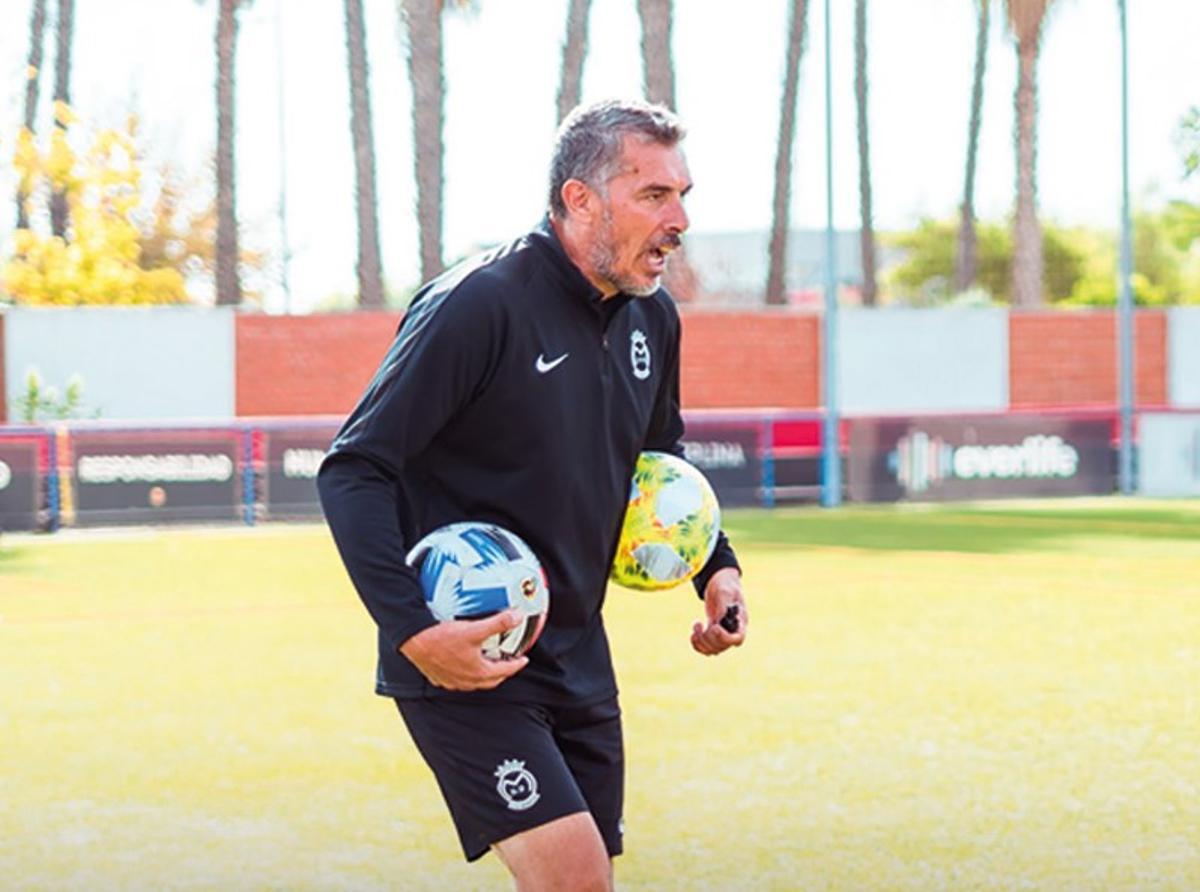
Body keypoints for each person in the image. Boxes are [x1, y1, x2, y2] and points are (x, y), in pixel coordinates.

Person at [317, 98, 748, 891]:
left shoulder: (654, 318)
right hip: (470, 657)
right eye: (654, 194)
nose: (680, 218)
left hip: (581, 655)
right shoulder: (479, 305)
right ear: (579, 200)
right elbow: (355, 469)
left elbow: (657, 462)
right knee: (574, 880)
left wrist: (714, 565)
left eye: (684, 194)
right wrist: (416, 633)